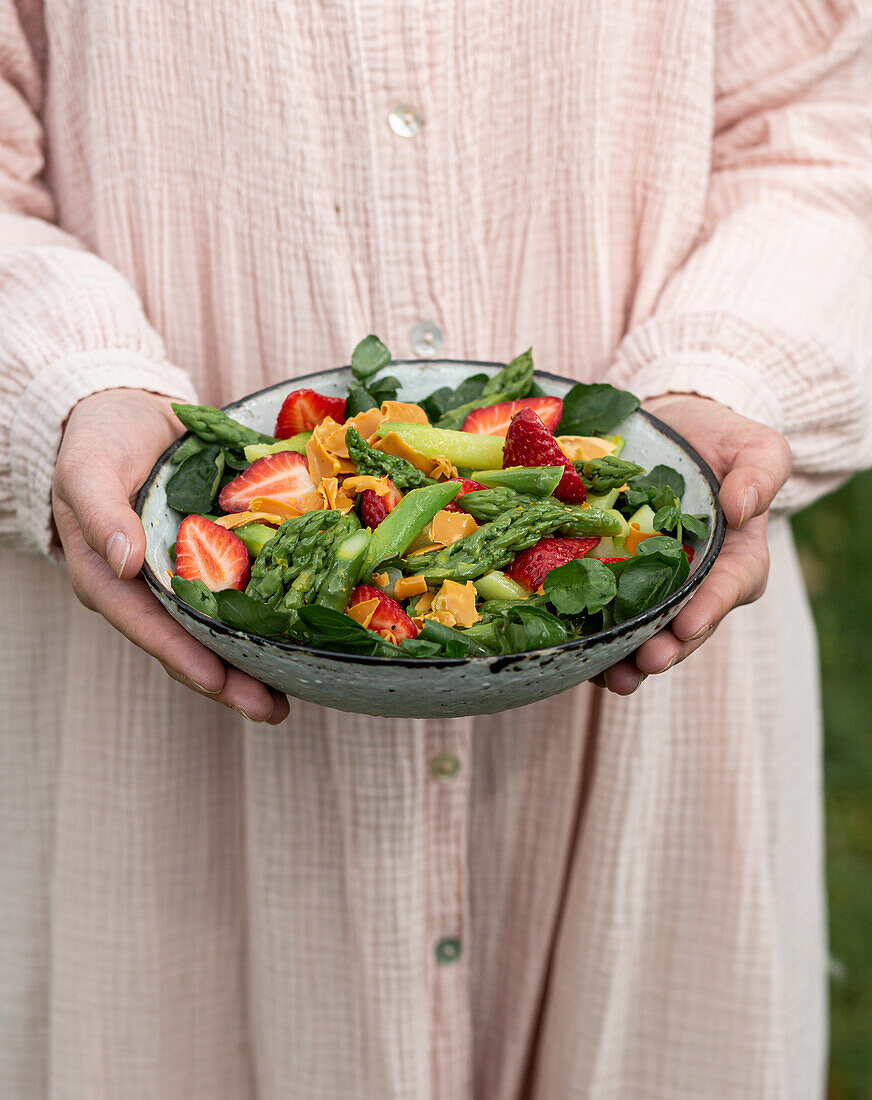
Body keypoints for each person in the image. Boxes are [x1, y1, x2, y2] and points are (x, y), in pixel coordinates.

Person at [0, 1, 869, 1096]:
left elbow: (819, 126)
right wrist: (63, 379)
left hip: (644, 687)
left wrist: (718, 382)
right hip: (158, 682)